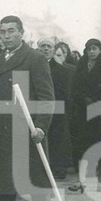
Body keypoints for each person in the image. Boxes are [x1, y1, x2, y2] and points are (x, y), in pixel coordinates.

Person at [0, 16, 55, 201]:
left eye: (11, 31)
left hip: (27, 126)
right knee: (3, 173)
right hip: (1, 126)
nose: (6, 36)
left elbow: (46, 96)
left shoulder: (35, 58)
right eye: (3, 32)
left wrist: (41, 126)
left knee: (34, 172)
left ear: (21, 33)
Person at [68, 38, 101, 192]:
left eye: (94, 49)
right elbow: (74, 87)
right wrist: (84, 99)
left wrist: (97, 99)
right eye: (89, 49)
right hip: (83, 111)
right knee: (81, 145)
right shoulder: (81, 65)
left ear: (100, 50)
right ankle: (81, 179)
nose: (91, 52)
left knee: (100, 143)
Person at [37, 38, 73, 182]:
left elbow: (66, 94)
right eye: (43, 46)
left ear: (53, 50)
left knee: (57, 140)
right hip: (38, 109)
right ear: (38, 49)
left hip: (57, 110)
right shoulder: (33, 67)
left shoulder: (62, 70)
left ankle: (58, 168)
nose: (46, 49)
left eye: (49, 46)